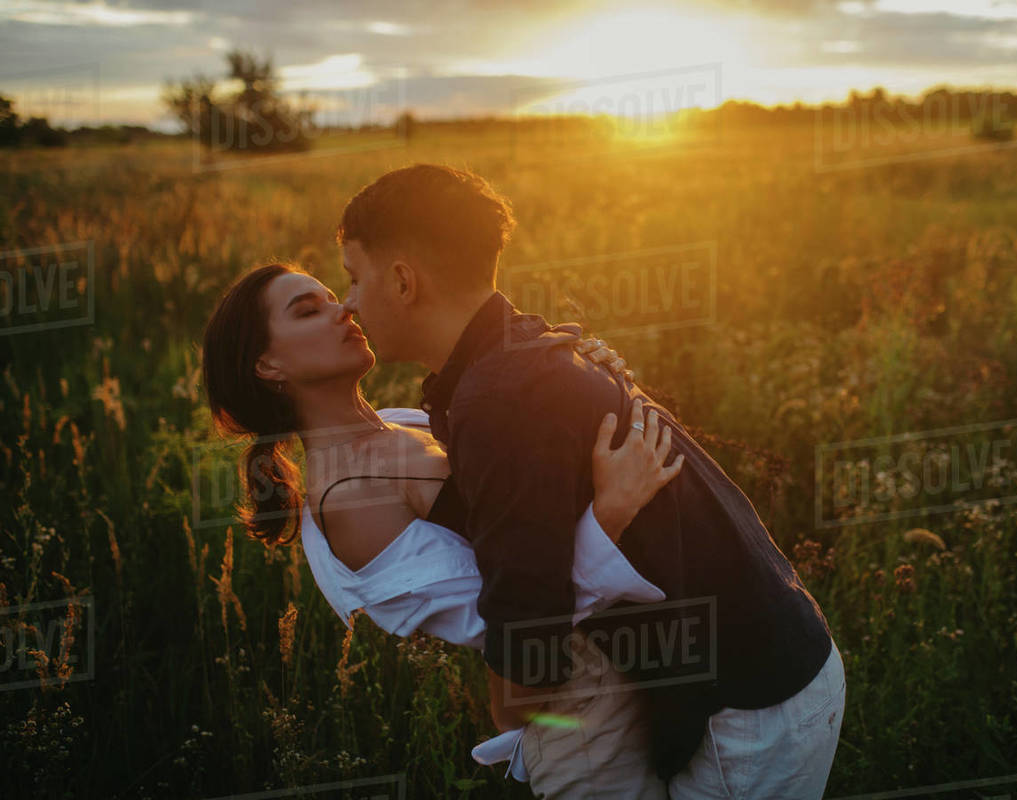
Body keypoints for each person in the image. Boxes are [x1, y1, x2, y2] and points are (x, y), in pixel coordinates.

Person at [335, 163, 846, 798]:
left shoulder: (501, 398)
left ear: (405, 281)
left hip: (749, 708)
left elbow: (531, 655)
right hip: (766, 660)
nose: (348, 303)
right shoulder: (511, 351)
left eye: (354, 279)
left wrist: (509, 714)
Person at [200, 262, 682, 793]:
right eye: (309, 311)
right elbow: (511, 621)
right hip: (580, 716)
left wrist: (577, 381)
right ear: (267, 365)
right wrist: (610, 513)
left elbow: (527, 505)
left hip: (635, 663)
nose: (346, 309)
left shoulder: (402, 421)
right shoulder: (348, 497)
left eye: (334, 294)